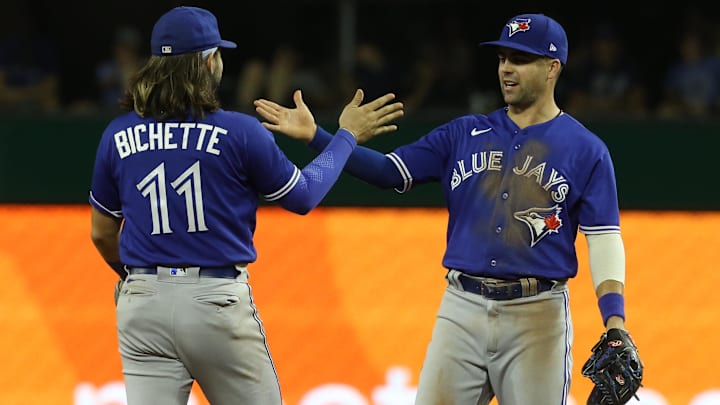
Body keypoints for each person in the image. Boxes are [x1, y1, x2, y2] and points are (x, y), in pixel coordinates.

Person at [255, 13, 638, 405]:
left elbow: (604, 239)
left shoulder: (587, 150)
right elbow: (391, 172)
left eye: (520, 59)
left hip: (537, 314)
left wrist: (615, 320)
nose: (507, 68)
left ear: (552, 67)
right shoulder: (464, 133)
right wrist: (319, 138)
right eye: (503, 57)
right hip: (462, 308)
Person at [88, 6, 403, 405]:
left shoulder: (118, 134)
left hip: (143, 302)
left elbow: (101, 233)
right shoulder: (237, 131)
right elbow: (304, 195)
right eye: (217, 53)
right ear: (207, 61)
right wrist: (346, 137)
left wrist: (137, 279)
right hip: (212, 299)